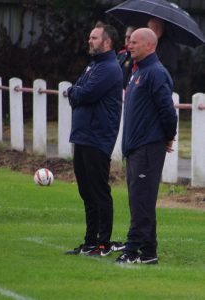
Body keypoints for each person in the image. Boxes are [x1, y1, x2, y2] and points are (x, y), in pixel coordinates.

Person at [116, 28, 177, 264]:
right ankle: (149, 253)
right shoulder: (137, 72)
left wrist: (168, 137)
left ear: (150, 45)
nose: (129, 45)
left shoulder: (156, 73)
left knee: (141, 201)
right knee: (141, 200)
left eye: (134, 42)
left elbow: (167, 111)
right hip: (135, 147)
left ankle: (131, 251)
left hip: (148, 147)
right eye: (129, 41)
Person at [65, 22, 124, 256]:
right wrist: (75, 92)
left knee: (98, 191)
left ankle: (103, 243)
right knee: (86, 192)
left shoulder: (109, 67)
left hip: (97, 137)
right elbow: (77, 91)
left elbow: (84, 93)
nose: (90, 41)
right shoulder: (93, 65)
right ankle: (89, 241)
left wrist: (74, 92)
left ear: (107, 42)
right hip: (82, 136)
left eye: (94, 38)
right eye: (90, 37)